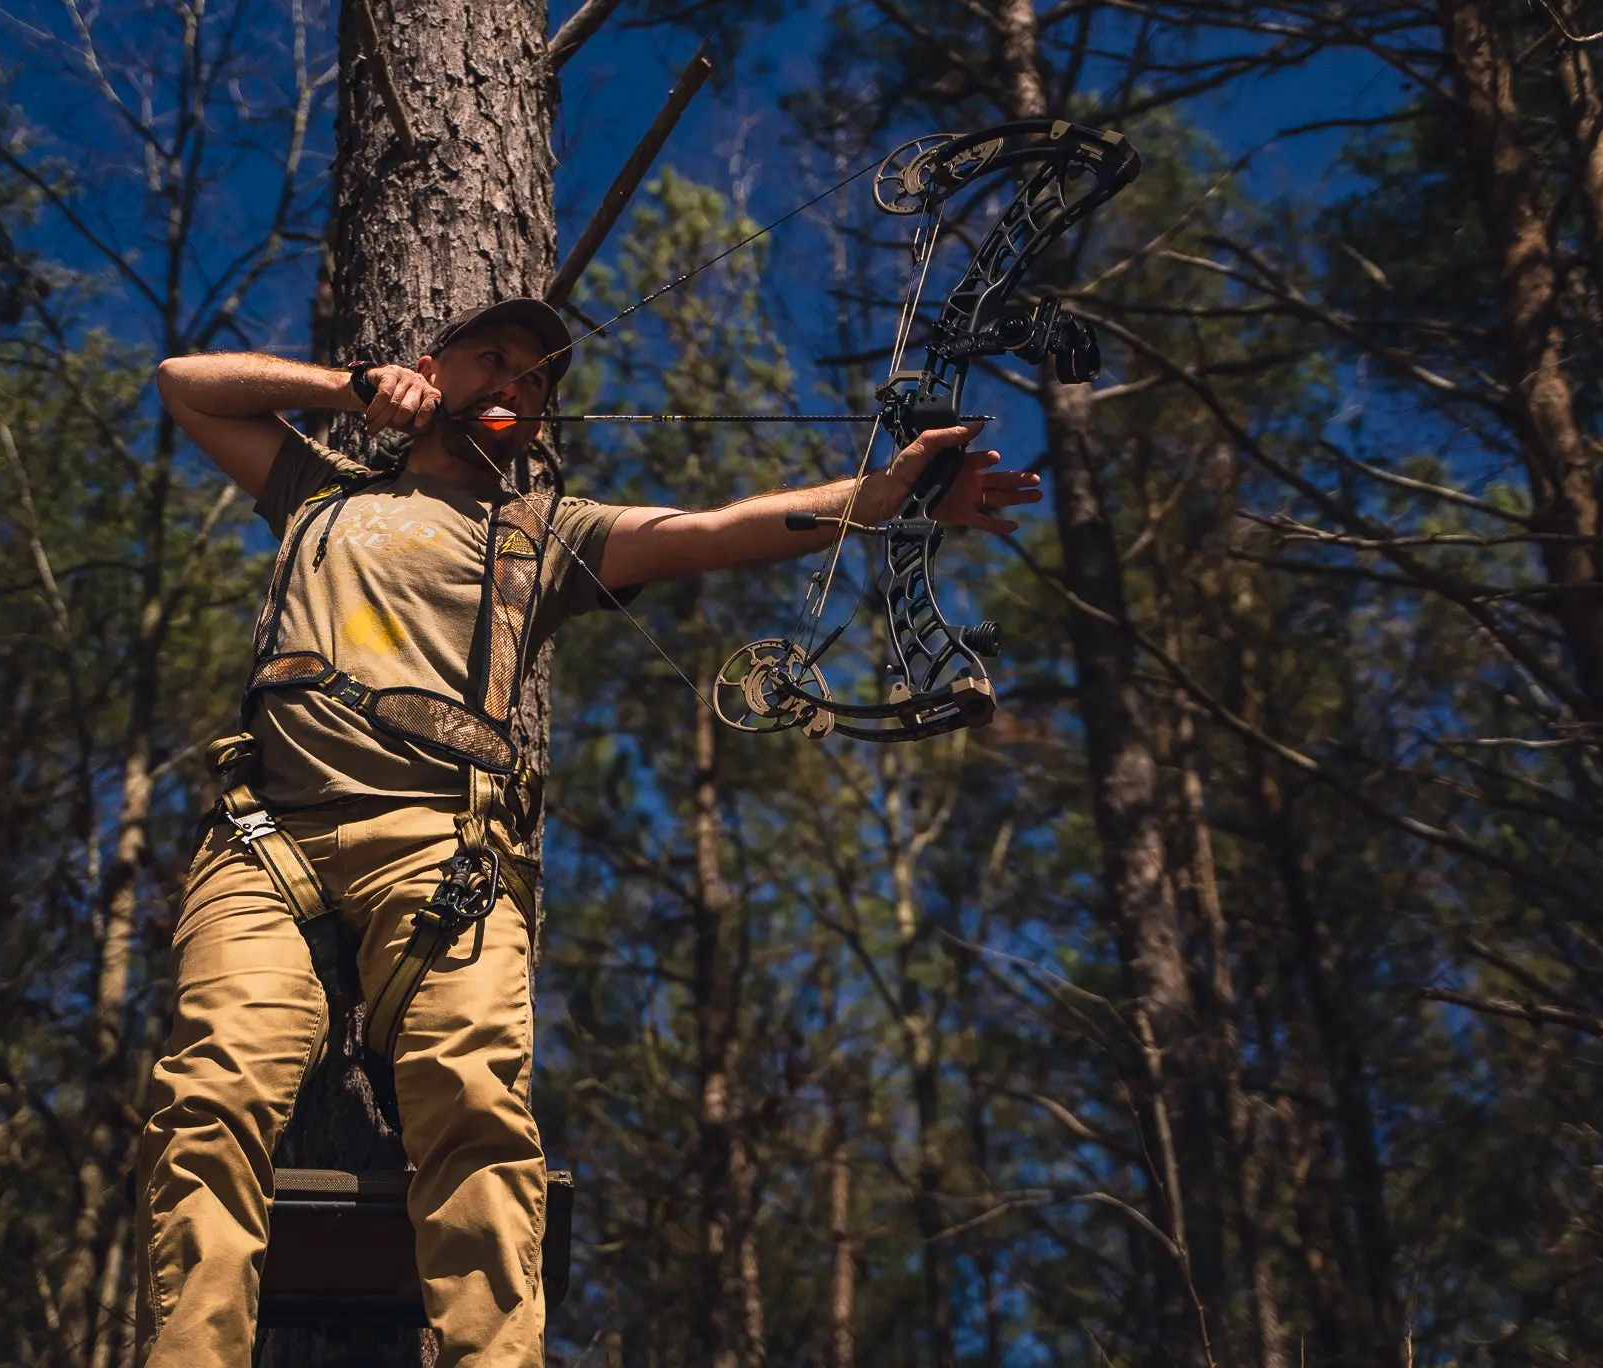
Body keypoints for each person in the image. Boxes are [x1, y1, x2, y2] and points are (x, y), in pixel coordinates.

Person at [136, 296, 1042, 1368]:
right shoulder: (317, 494)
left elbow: (710, 533)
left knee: (473, 1111)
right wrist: (349, 389)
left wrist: (880, 498)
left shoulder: (541, 536)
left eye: (535, 382)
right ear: (434, 369)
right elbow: (183, 381)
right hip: (262, 846)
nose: (515, 388)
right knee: (210, 1103)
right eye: (494, 362)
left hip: (442, 853)